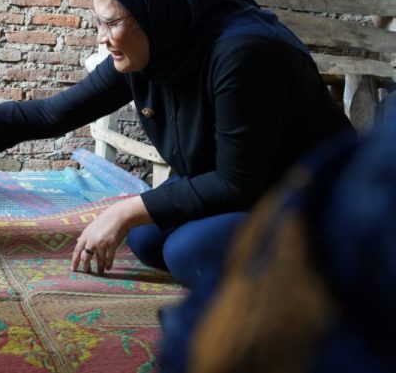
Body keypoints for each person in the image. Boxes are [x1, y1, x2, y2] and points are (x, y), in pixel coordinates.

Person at [0, 0, 354, 288]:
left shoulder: (245, 53)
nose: (101, 37)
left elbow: (238, 180)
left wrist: (121, 211)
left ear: (155, 12)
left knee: (188, 250)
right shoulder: (158, 48)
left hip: (304, 196)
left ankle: (325, 280)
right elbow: (54, 114)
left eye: (111, 22)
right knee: (148, 239)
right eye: (99, 22)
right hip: (235, 183)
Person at [159, 108, 396, 373]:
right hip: (258, 195)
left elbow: (234, 182)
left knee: (181, 249)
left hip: (255, 189)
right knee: (145, 236)